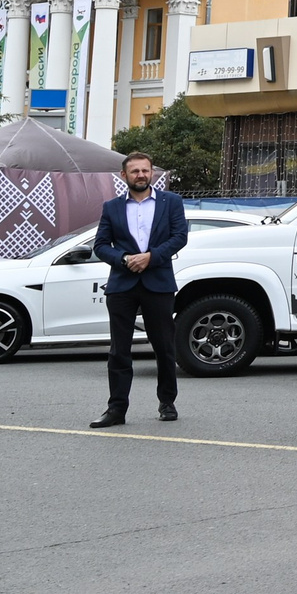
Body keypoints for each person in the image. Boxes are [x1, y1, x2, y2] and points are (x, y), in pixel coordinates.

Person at [89, 151, 189, 428]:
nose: (141, 175)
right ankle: (116, 409)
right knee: (119, 350)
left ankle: (167, 402)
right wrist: (123, 259)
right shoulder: (112, 207)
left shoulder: (171, 202)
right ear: (124, 176)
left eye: (145, 170)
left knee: (164, 346)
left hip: (158, 282)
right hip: (122, 284)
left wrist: (151, 257)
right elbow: (100, 245)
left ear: (151, 173)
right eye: (135, 171)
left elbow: (179, 237)